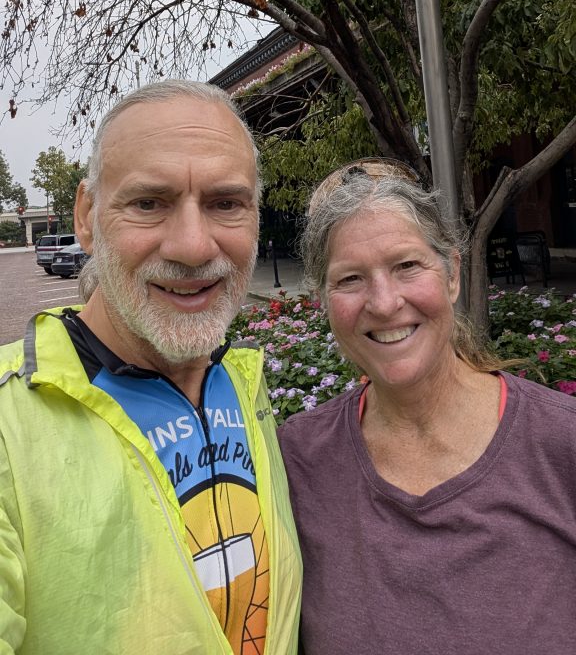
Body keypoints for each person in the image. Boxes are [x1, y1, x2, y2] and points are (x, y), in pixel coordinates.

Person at [0, 81, 301, 655]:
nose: (193, 246)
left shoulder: (242, 383)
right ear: (87, 216)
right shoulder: (8, 426)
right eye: (149, 203)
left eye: (225, 203)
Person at [278, 158, 576, 655]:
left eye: (407, 266)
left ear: (452, 274)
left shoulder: (561, 445)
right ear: (323, 301)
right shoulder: (298, 461)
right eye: (350, 279)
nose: (384, 302)